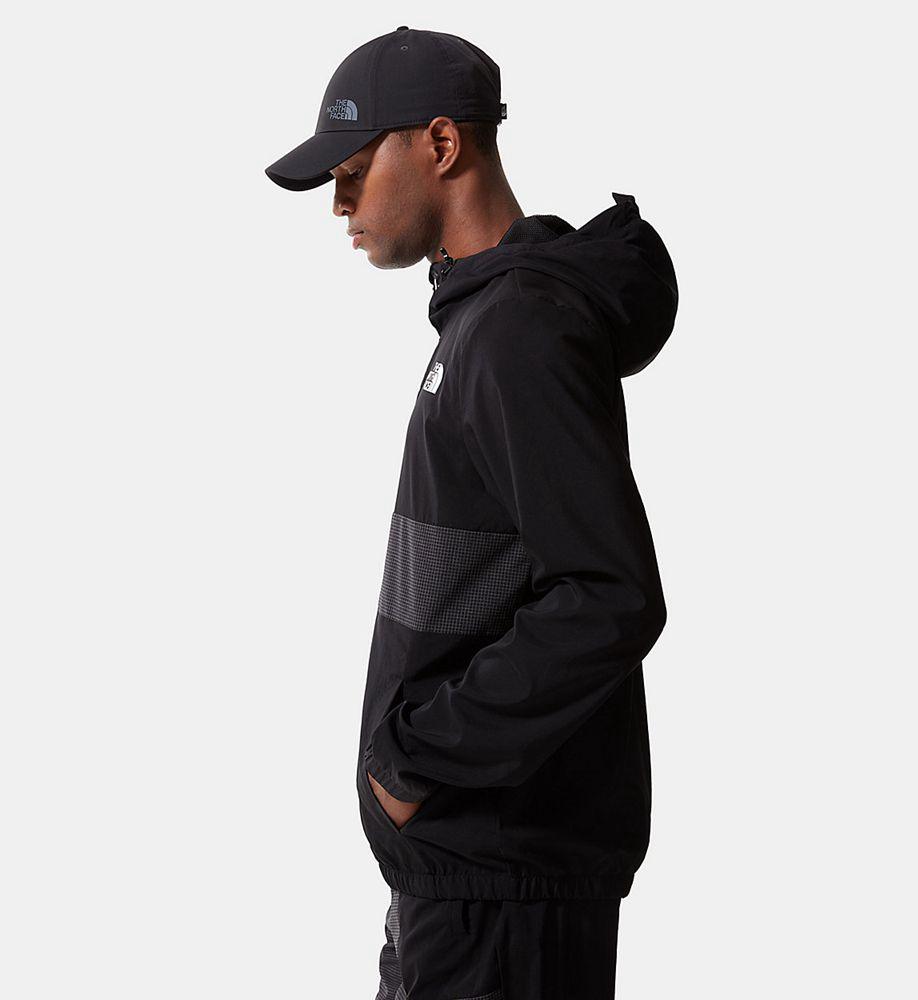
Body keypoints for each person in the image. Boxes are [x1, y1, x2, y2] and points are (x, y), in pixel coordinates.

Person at [264, 25, 679, 1000]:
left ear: (442, 145)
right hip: (465, 887)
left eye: (353, 171)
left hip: (502, 898)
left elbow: (610, 594)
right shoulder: (488, 323)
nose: (339, 203)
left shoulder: (517, 333)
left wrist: (414, 761)